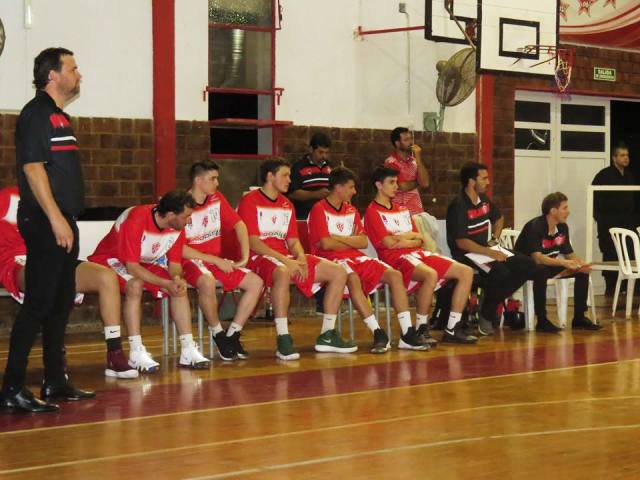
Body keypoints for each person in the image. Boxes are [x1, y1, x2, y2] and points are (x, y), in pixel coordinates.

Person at [1, 48, 95, 413]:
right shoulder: (37, 113)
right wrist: (55, 218)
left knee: (60, 301)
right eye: (73, 68)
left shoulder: (59, 116)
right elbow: (33, 169)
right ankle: (12, 387)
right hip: (45, 221)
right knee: (38, 303)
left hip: (62, 219)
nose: (78, 74)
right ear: (52, 75)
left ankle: (55, 380)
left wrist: (64, 219)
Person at [0, 186, 138, 379]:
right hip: (17, 261)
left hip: (53, 258)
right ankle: (55, 357)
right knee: (49, 281)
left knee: (106, 277)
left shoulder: (59, 197)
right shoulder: (9, 196)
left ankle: (115, 353)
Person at [238, 158, 351, 360]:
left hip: (284, 257)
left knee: (338, 272)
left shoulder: (287, 204)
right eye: (285, 175)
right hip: (259, 257)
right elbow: (253, 242)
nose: (290, 180)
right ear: (270, 176)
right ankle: (283, 338)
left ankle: (327, 334)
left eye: (289, 175)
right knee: (282, 272)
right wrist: (286, 260)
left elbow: (293, 241)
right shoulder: (250, 201)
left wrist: (300, 256)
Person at [89, 190, 210, 372]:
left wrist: (176, 279)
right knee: (135, 285)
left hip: (143, 263)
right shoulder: (137, 219)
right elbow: (132, 268)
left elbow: (175, 264)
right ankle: (136, 351)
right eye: (186, 216)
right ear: (171, 215)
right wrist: (165, 283)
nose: (188, 221)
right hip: (112, 259)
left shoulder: (177, 227)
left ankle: (188, 349)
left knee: (178, 288)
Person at [365, 166, 477, 345]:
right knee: (430, 274)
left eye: (397, 182)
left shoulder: (402, 209)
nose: (396, 186)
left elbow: (420, 239)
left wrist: (401, 238)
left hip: (417, 253)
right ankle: (421, 328)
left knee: (466, 272)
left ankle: (452, 328)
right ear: (379, 185)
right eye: (391, 182)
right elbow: (388, 243)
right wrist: (407, 238)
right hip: (395, 259)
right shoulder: (372, 211)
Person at [308, 167, 414, 353]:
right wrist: (350, 240)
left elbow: (363, 242)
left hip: (356, 256)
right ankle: (378, 332)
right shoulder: (319, 209)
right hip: (331, 259)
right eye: (351, 187)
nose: (355, 191)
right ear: (338, 188)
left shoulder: (352, 210)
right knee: (353, 278)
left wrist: (338, 238)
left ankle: (408, 333)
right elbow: (325, 244)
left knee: (395, 275)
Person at [181, 161, 264, 361]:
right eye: (213, 179)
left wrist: (244, 257)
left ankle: (232, 334)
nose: (217, 183)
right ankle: (218, 333)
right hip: (190, 262)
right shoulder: (182, 205)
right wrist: (215, 261)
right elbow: (180, 249)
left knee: (256, 283)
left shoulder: (217, 198)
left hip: (214, 261)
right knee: (207, 281)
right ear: (198, 180)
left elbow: (239, 224)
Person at [446, 162, 536, 335]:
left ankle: (489, 302)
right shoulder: (459, 205)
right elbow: (462, 242)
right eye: (484, 178)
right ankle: (486, 315)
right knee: (501, 272)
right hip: (468, 254)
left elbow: (499, 218)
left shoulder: (483, 200)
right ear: (471, 181)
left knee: (528, 265)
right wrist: (489, 252)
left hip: (485, 250)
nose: (488, 182)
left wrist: (494, 240)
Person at [515, 192, 601, 332]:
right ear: (553, 211)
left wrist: (581, 263)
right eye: (564, 208)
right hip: (526, 267)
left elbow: (569, 253)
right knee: (541, 271)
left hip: (547, 266)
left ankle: (579, 318)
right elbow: (537, 258)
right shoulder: (535, 226)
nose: (568, 211)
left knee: (581, 272)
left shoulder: (562, 227)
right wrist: (564, 263)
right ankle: (542, 320)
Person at [592, 143, 638, 295]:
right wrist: (601, 220)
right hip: (609, 225)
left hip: (627, 224)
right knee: (611, 255)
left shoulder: (629, 176)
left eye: (627, 155)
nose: (626, 158)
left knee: (630, 254)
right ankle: (611, 289)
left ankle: (629, 289)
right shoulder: (604, 175)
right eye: (622, 155)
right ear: (614, 158)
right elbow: (594, 199)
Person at [384, 127, 429, 216]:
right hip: (399, 212)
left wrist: (418, 158)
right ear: (397, 143)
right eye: (406, 140)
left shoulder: (414, 161)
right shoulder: (391, 162)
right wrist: (418, 181)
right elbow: (403, 186)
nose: (411, 142)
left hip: (416, 211)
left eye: (410, 139)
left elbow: (425, 183)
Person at [287, 132, 333, 220]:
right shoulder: (298, 167)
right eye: (320, 152)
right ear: (311, 149)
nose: (324, 156)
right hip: (305, 217)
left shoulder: (331, 167)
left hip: (327, 217)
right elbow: (291, 194)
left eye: (326, 153)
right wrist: (315, 194)